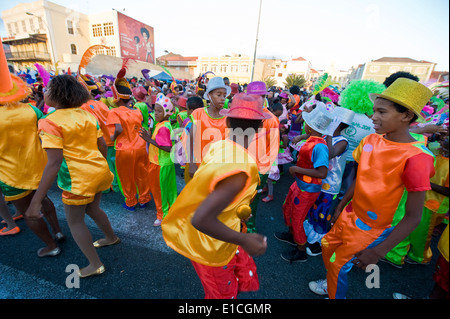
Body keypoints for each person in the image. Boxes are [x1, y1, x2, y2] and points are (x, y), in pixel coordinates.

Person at [308, 78, 435, 299]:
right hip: (349, 215)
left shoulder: (417, 157)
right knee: (327, 247)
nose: (373, 117)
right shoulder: (371, 140)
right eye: (374, 111)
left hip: (375, 226)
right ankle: (332, 285)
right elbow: (360, 177)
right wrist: (342, 205)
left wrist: (379, 250)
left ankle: (335, 292)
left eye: (382, 112)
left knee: (338, 264)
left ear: (406, 116)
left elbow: (414, 216)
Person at [161, 93, 269, 299]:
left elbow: (212, 190)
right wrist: (244, 239)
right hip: (211, 246)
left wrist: (239, 210)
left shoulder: (219, 146)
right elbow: (202, 219)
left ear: (227, 121)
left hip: (215, 237)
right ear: (260, 127)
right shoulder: (240, 167)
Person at [26, 75, 119, 277]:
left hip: (77, 180)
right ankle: (110, 237)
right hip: (99, 171)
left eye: (48, 89)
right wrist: (100, 166)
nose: (44, 92)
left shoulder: (49, 121)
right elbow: (102, 145)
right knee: (94, 209)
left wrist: (36, 201)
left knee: (75, 222)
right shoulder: (87, 115)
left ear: (58, 94)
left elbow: (54, 162)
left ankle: (95, 264)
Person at [0, 41, 64, 253]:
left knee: (28, 212)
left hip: (10, 175)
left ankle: (50, 246)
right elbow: (46, 129)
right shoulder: (31, 111)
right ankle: (57, 231)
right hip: (38, 167)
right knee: (44, 200)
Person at [275, 104, 331, 262]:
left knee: (298, 218)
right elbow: (310, 137)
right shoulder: (314, 138)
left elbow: (322, 173)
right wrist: (302, 137)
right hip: (299, 184)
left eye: (306, 123)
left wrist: (295, 169)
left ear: (310, 127)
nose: (304, 124)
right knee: (287, 208)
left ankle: (300, 251)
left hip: (307, 189)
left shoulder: (320, 147)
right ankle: (292, 235)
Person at [383, 134, 449, 267]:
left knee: (421, 235)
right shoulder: (440, 155)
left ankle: (420, 257)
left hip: (433, 205)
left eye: (446, 138)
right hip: (421, 198)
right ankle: (396, 254)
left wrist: (425, 182)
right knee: (406, 225)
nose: (442, 139)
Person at [303, 107, 355, 257]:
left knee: (322, 213)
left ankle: (317, 244)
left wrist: (331, 134)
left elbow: (330, 154)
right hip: (318, 180)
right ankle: (310, 235)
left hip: (329, 186)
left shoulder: (343, 141)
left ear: (338, 124)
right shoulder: (327, 137)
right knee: (314, 209)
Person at [107, 67, 152, 211]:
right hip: (140, 147)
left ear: (117, 98)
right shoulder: (137, 111)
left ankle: (131, 202)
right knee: (142, 173)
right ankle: (144, 199)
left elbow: (118, 129)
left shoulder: (114, 111)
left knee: (127, 177)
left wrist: (113, 137)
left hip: (124, 149)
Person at [139, 93, 177, 226]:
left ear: (167, 113)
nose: (156, 113)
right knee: (169, 190)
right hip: (164, 163)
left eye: (159, 111)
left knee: (159, 192)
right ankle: (171, 213)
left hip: (160, 165)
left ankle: (162, 216)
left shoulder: (163, 127)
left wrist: (149, 140)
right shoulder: (163, 124)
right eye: (155, 110)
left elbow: (168, 147)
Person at [187, 77, 231, 181]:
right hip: (200, 165)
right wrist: (192, 164)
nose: (222, 98)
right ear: (209, 96)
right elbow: (190, 140)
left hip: (220, 167)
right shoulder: (198, 114)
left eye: (224, 95)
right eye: (218, 94)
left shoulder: (228, 116)